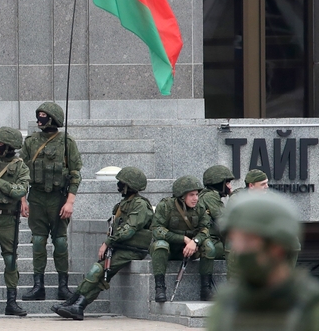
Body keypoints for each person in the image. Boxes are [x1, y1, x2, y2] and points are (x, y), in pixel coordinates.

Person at [207, 191, 319, 331]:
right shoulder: (227, 303)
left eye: (248, 241)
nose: (239, 250)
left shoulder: (314, 305)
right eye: (235, 241)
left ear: (277, 247)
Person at [52, 167, 154, 320]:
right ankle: (73, 302)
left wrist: (107, 243)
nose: (119, 185)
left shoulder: (139, 205)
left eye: (122, 183)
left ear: (129, 186)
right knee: (97, 271)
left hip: (133, 249)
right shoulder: (125, 203)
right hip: (121, 246)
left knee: (100, 271)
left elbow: (129, 230)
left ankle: (79, 305)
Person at [20, 102, 82, 301]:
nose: (40, 118)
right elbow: (21, 173)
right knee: (38, 241)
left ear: (53, 118)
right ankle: (38, 286)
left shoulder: (67, 142)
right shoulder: (30, 142)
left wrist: (70, 202)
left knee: (60, 242)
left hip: (58, 198)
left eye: (43, 115)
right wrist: (23, 200)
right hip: (36, 197)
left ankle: (63, 286)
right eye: (38, 114)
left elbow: (75, 174)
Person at [0, 127, 30, 317]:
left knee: (10, 260)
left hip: (9, 218)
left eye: (1, 144)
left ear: (10, 147)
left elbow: (19, 191)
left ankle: (11, 301)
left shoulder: (20, 167)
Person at [150, 175, 216, 302]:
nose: (195, 198)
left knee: (209, 247)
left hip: (190, 249)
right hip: (169, 248)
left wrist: (195, 241)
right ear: (182, 196)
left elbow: (205, 229)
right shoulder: (166, 206)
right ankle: (160, 287)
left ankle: (206, 289)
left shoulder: (200, 207)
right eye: (191, 195)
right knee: (160, 245)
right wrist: (183, 239)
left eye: (197, 194)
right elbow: (157, 230)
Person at [197, 165, 234, 298]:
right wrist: (234, 196)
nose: (229, 186)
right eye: (227, 183)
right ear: (219, 183)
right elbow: (224, 220)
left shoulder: (206, 195)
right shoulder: (210, 196)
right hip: (208, 241)